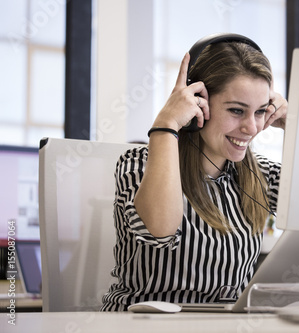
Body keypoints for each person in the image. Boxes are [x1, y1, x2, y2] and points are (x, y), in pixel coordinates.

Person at [101, 34, 287, 311]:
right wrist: (167, 123)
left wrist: (297, 125)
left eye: (260, 112)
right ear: (199, 102)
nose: (253, 127)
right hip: (143, 327)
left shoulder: (261, 175)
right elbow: (160, 231)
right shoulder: (137, 164)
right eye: (237, 110)